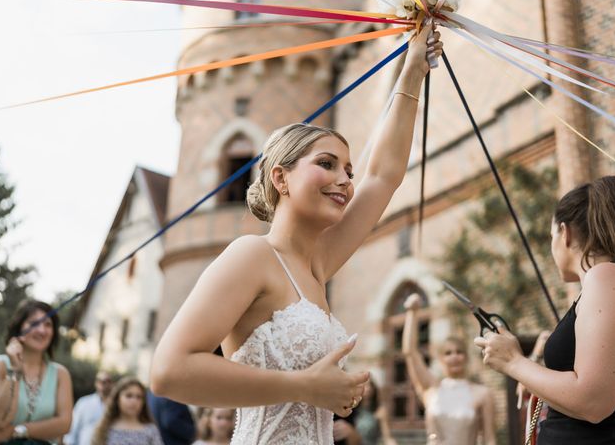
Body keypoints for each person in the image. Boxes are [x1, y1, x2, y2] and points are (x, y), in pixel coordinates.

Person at [151, 22, 443, 445]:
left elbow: (383, 175)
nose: (344, 179)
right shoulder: (251, 255)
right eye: (326, 164)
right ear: (281, 178)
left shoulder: (318, 264)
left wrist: (413, 69)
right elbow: (169, 372)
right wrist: (306, 387)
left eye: (347, 169)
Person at [475, 175, 615, 444]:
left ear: (565, 232)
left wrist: (514, 362)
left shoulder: (606, 277)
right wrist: (540, 382)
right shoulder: (613, 280)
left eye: (552, 236)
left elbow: (594, 401)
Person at [403, 293, 496, 445]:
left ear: (465, 357)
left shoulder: (482, 394)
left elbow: (490, 439)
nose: (454, 356)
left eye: (459, 352)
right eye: (448, 353)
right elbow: (410, 352)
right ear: (441, 359)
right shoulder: (431, 389)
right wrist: (412, 313)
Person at [0, 299, 73, 444]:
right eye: (34, 323)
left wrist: (16, 431)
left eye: (48, 324)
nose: (42, 330)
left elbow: (64, 423)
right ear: (19, 328)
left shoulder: (61, 373)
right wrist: (15, 370)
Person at [91, 376, 163, 445]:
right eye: (129, 396)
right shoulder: (104, 429)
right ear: (117, 398)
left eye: (139, 397)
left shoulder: (150, 430)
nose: (134, 401)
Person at [334, 377, 396, 445]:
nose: (368, 388)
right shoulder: (352, 410)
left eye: (370, 385)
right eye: (364, 385)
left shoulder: (380, 410)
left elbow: (387, 437)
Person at [64, 371, 113, 445]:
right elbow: (73, 427)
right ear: (96, 383)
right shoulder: (83, 403)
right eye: (100, 381)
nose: (103, 384)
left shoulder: (116, 406)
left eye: (107, 381)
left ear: (111, 383)